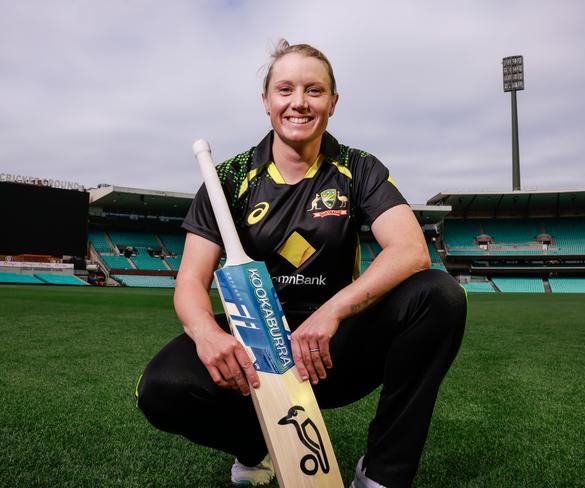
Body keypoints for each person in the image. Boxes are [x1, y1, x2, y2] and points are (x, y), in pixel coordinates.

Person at [136, 39, 466, 488]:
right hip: (255, 350)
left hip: (332, 348)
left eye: (314, 90)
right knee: (161, 388)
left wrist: (331, 312)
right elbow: (191, 280)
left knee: (440, 295)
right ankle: (257, 446)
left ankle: (382, 474)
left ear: (333, 101)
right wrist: (209, 335)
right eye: (285, 89)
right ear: (267, 101)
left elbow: (410, 250)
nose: (299, 102)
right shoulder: (229, 178)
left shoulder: (357, 167)